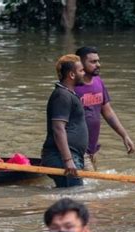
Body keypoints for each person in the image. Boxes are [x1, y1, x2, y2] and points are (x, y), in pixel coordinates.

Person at [75, 46, 135, 171]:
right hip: (77, 149)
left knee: (92, 186)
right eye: (93, 62)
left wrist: (124, 135)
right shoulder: (72, 87)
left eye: (98, 61)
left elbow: (107, 112)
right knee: (89, 186)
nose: (98, 65)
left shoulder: (98, 82)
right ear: (80, 63)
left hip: (93, 149)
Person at [41, 54, 88, 188]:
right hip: (61, 157)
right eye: (81, 71)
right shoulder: (62, 96)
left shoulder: (68, 94)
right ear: (72, 75)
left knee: (72, 195)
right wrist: (68, 160)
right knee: (73, 196)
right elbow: (58, 129)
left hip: (69, 156)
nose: (84, 73)